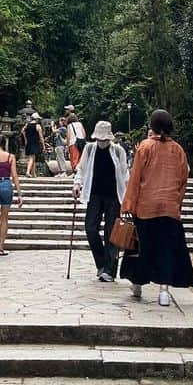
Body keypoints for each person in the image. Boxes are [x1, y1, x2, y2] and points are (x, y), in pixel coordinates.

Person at [119, 108, 193, 307]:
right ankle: (164, 291)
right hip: (169, 208)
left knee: (140, 248)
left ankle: (137, 285)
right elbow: (182, 180)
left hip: (146, 207)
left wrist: (128, 204)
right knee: (166, 250)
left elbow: (135, 178)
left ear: (152, 126)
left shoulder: (145, 147)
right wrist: (177, 203)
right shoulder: (178, 150)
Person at [73, 121, 130, 282]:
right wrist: (77, 183)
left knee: (112, 234)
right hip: (94, 195)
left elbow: (125, 175)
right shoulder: (90, 149)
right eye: (99, 138)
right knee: (90, 228)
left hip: (114, 196)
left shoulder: (118, 151)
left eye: (104, 139)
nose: (101, 142)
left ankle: (110, 271)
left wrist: (128, 197)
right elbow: (82, 169)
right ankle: (102, 263)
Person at [20, 111, 46, 178]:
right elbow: (41, 137)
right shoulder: (38, 126)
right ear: (36, 119)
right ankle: (28, 172)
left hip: (29, 143)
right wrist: (43, 146)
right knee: (31, 158)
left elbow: (22, 131)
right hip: (35, 143)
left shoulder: (27, 125)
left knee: (33, 157)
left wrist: (25, 139)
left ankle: (33, 173)